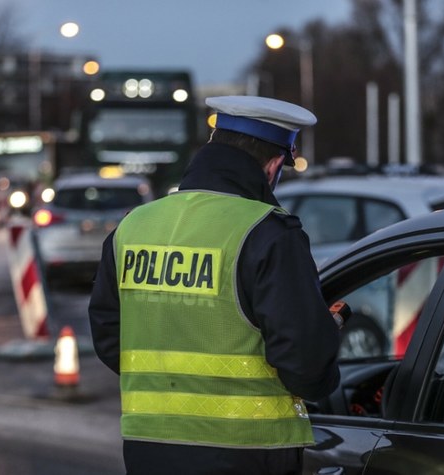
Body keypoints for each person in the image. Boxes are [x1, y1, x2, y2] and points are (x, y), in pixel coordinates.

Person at [88, 96, 342, 474]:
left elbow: (111, 338)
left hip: (149, 450)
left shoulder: (134, 226)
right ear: (273, 165)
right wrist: (328, 331)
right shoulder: (267, 233)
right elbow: (306, 366)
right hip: (249, 453)